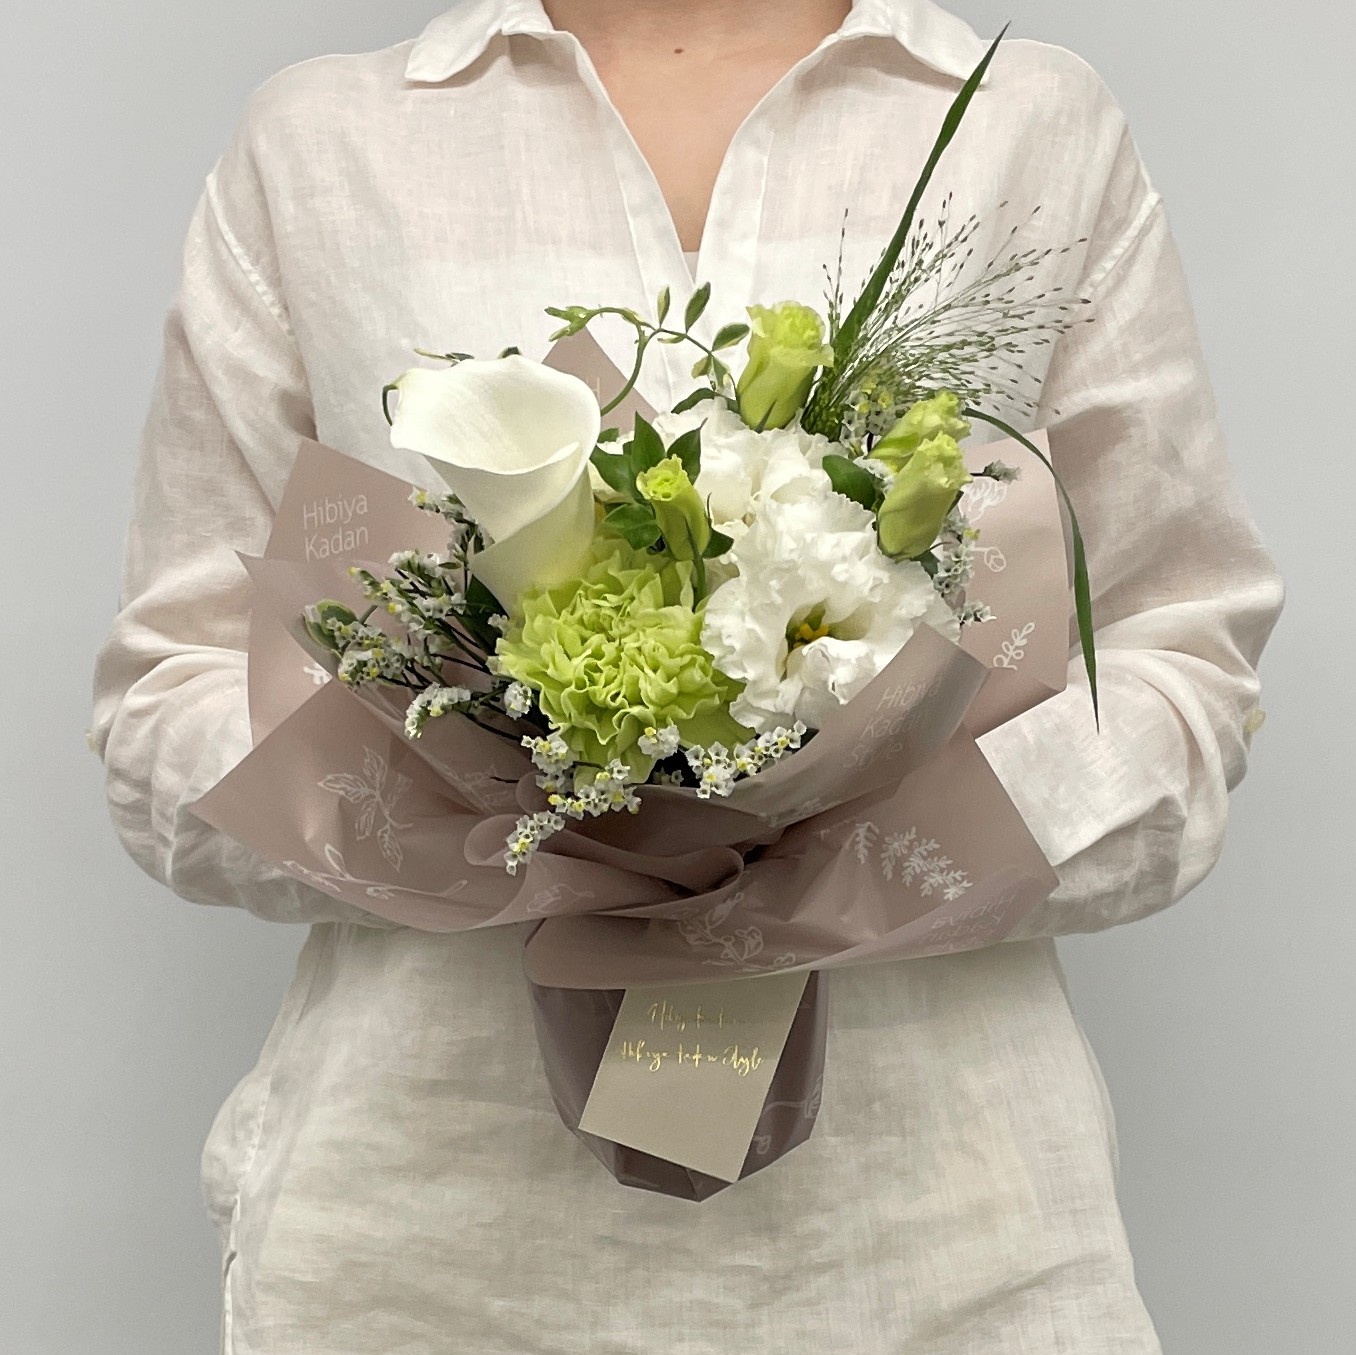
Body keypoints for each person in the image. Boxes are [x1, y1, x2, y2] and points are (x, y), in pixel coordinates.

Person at [90, 0, 1284, 1350]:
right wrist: (527, 839)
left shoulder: (1028, 122)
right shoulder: (324, 143)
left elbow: (1181, 661)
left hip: (948, 1249)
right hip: (422, 1253)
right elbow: (167, 701)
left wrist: (831, 865)